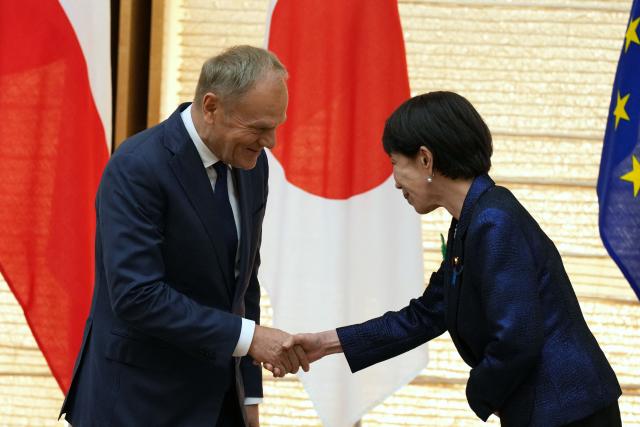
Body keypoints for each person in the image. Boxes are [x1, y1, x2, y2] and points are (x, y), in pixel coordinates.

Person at [285, 91, 622, 426]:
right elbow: (427, 314)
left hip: (567, 411)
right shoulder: (472, 218)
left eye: (394, 163)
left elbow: (517, 340)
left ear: (425, 159)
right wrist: (327, 343)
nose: (394, 181)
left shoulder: (493, 221)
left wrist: (478, 391)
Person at [60, 46, 308, 427]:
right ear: (211, 107)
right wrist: (250, 338)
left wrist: (250, 395)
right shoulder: (137, 168)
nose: (271, 142)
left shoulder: (252, 165)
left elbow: (244, 283)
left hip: (219, 403)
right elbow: (136, 295)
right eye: (259, 128)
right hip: (139, 402)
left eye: (276, 125)